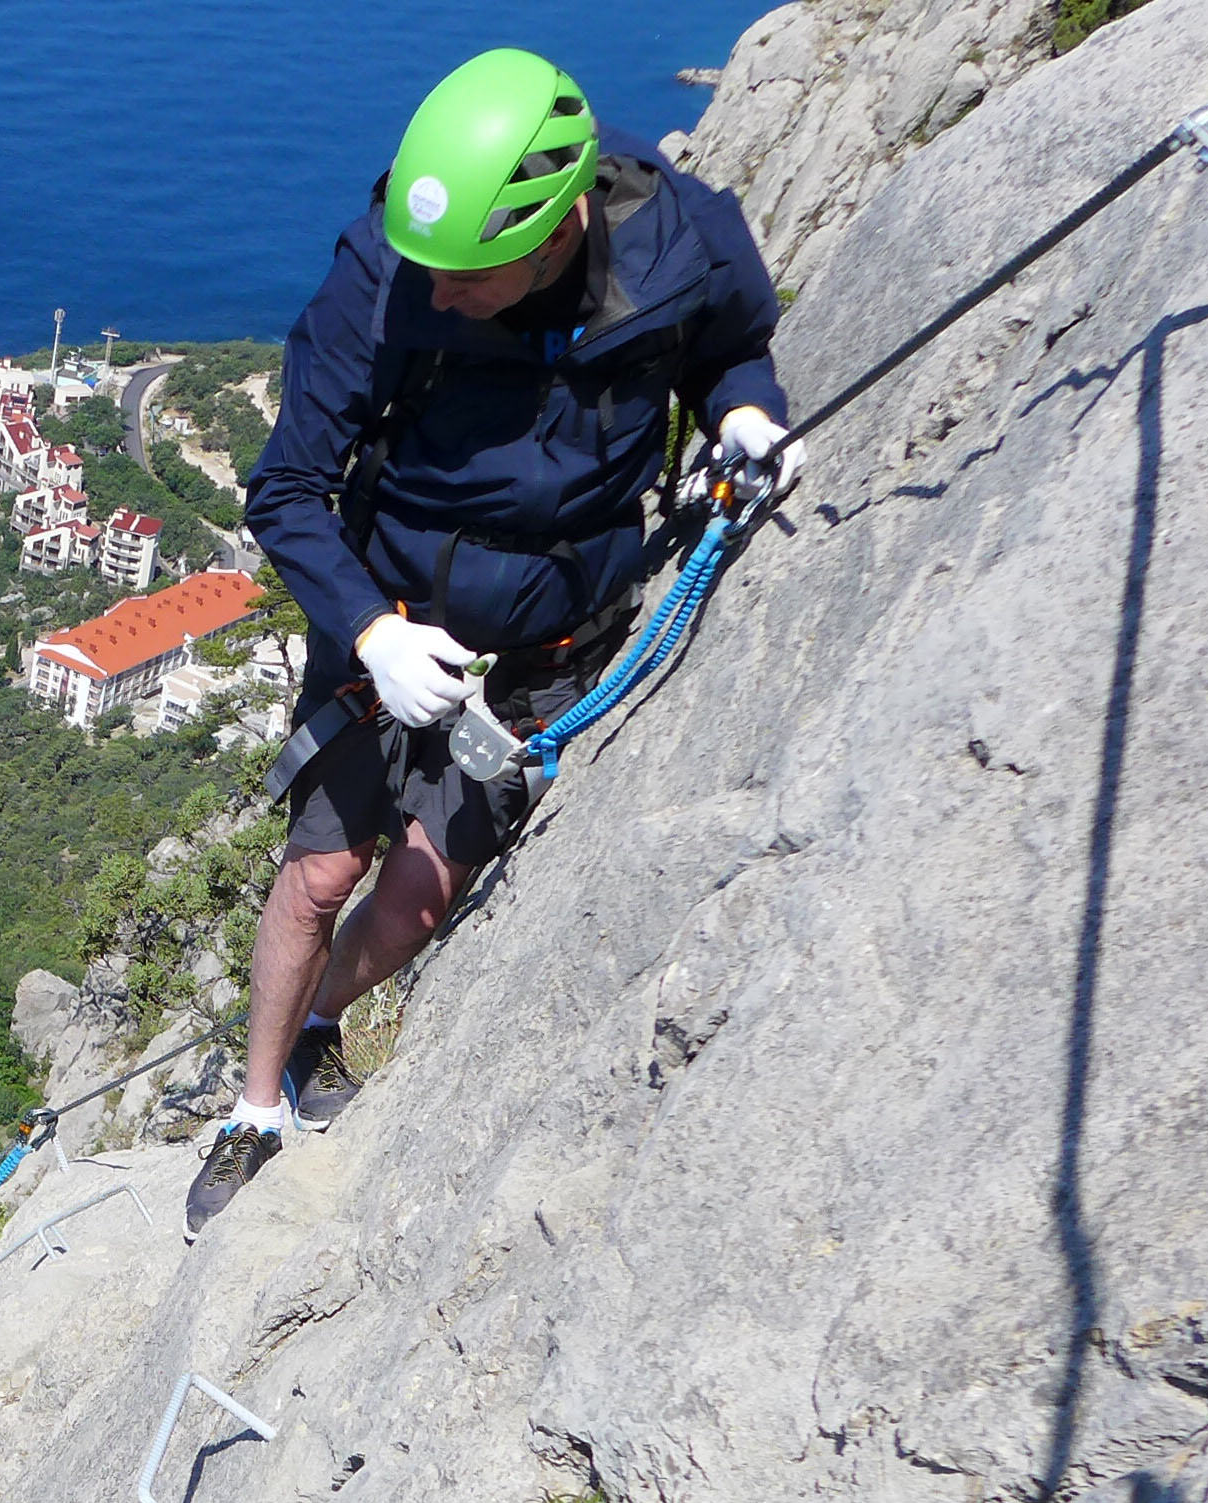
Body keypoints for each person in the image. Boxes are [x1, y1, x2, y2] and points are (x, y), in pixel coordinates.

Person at [189, 48, 799, 1232]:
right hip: (393, 611)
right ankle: (253, 1107)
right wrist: (368, 633)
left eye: (471, 278)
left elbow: (731, 344)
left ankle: (316, 1030)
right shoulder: (387, 273)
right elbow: (286, 490)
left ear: (565, 224)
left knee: (419, 898)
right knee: (320, 871)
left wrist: (740, 412)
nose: (440, 293)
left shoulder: (685, 242)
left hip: (553, 631)